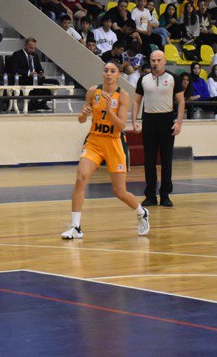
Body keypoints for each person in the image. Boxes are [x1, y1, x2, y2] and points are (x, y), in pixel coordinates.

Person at [61, 61, 150, 240]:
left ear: (118, 75)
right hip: (94, 141)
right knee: (81, 178)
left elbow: (120, 126)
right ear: (102, 74)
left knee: (119, 192)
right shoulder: (93, 91)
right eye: (106, 71)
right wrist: (83, 114)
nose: (108, 73)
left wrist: (110, 111)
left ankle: (142, 212)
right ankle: (76, 227)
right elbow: (81, 120)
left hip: (114, 144)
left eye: (112, 71)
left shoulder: (123, 96)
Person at [132, 49, 183, 206]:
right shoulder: (143, 79)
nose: (155, 63)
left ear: (164, 61)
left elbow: (181, 101)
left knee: (167, 160)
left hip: (166, 120)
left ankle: (165, 195)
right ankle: (150, 195)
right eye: (153, 60)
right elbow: (136, 102)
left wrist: (179, 122)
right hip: (149, 120)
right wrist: (134, 120)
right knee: (149, 160)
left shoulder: (173, 78)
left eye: (158, 60)